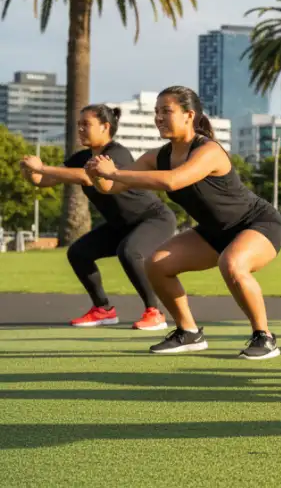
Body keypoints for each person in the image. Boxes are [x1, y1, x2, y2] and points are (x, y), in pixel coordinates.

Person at [85, 86, 281, 360]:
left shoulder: (209, 150)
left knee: (233, 264)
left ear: (189, 115)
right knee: (156, 264)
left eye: (166, 111)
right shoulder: (157, 156)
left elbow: (173, 180)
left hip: (258, 224)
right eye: (156, 112)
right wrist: (97, 174)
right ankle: (188, 332)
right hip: (214, 232)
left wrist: (116, 172)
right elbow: (110, 187)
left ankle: (264, 336)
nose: (158, 117)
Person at [21, 104, 174, 330]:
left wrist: (42, 167)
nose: (80, 129)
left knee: (130, 251)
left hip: (153, 218)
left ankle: (155, 312)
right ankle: (103, 309)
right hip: (119, 225)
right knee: (79, 253)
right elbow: (45, 181)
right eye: (79, 124)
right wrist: (30, 171)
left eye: (86, 124)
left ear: (105, 127)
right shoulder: (82, 156)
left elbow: (86, 177)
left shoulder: (116, 153)